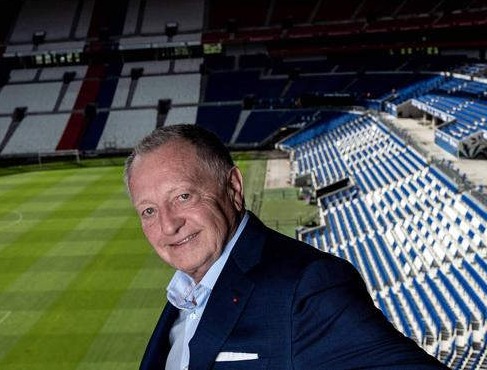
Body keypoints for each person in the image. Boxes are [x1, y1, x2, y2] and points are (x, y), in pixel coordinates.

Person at [125, 124, 448, 370]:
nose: (168, 225)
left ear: (234, 188)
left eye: (184, 196)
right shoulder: (185, 293)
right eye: (149, 211)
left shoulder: (307, 285)